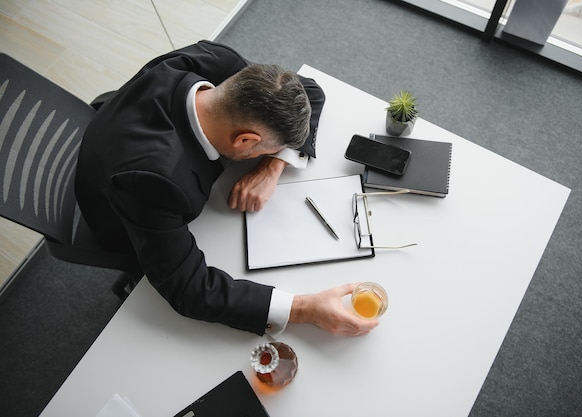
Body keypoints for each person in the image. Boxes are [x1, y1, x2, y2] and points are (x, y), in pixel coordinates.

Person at [75, 40, 378, 337]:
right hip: (122, 219)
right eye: (268, 150)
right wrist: (303, 309)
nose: (271, 154)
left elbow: (310, 92)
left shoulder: (215, 62)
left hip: (120, 126)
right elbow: (189, 290)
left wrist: (271, 167)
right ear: (245, 141)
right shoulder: (156, 182)